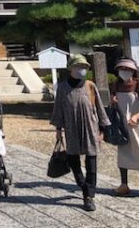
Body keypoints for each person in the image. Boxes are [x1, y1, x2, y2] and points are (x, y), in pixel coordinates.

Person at [50, 54, 110, 212]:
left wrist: (102, 130)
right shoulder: (62, 87)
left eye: (84, 67)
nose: (82, 69)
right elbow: (58, 109)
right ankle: (83, 185)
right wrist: (58, 129)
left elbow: (99, 108)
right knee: (73, 159)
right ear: (71, 68)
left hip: (90, 127)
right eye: (79, 67)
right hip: (71, 128)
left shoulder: (90, 85)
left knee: (91, 161)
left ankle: (88, 196)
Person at [110, 57, 139, 196]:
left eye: (128, 69)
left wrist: (137, 117)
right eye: (122, 69)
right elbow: (112, 103)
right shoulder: (116, 85)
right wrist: (113, 100)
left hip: (138, 125)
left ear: (133, 71)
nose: (125, 71)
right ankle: (124, 184)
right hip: (122, 126)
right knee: (122, 154)